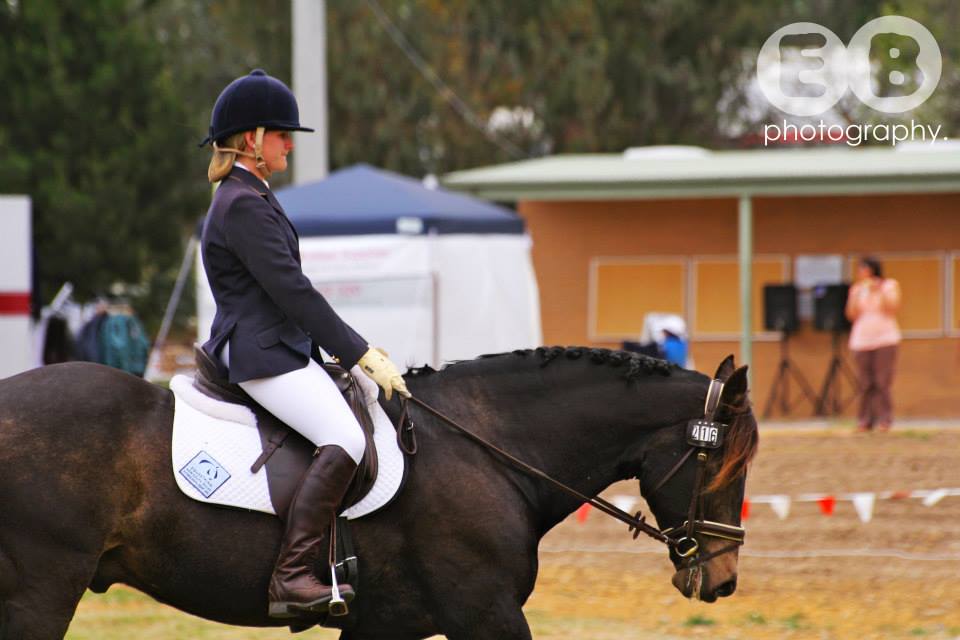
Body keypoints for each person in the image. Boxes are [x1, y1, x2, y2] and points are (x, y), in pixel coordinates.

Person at [199, 69, 410, 618]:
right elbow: (292, 292)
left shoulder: (251, 195)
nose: (289, 145)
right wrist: (360, 353)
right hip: (261, 353)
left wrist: (349, 354)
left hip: (277, 346)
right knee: (346, 437)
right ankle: (290, 577)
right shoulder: (242, 203)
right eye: (281, 135)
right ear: (252, 139)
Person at [845, 256, 901, 432]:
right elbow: (851, 314)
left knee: (882, 381)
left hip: (885, 338)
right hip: (862, 340)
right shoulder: (857, 289)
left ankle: (885, 419)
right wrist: (857, 294)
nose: (861, 272)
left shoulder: (889, 285)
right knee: (865, 382)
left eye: (864, 269)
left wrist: (878, 291)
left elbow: (892, 308)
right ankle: (865, 420)